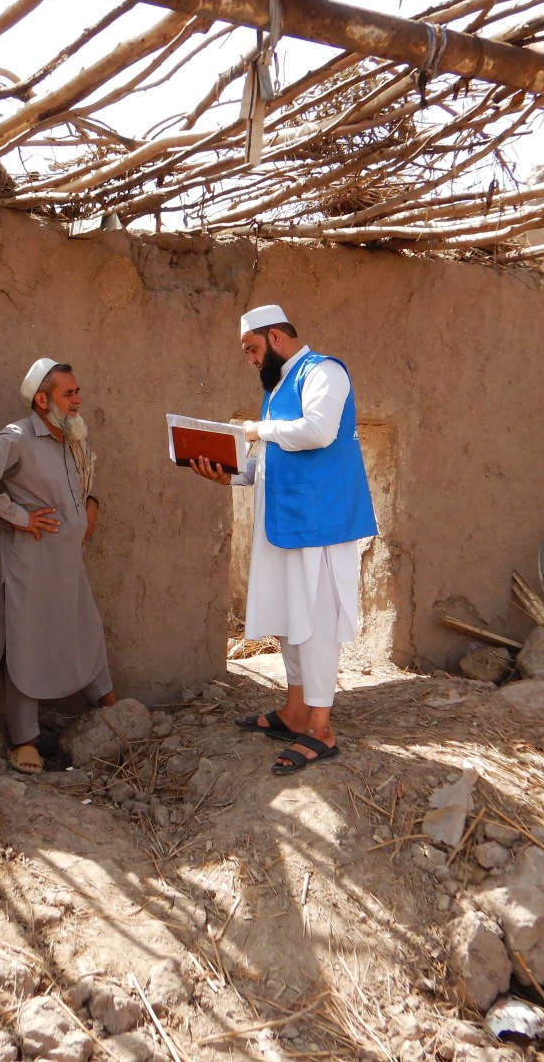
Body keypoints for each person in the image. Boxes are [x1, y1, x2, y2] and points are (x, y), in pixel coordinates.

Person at [190, 305, 378, 774]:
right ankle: (295, 711)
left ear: (276, 337)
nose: (251, 360)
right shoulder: (276, 391)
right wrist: (227, 474)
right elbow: (264, 466)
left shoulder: (325, 372)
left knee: (314, 618)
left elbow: (318, 431)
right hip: (285, 522)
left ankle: (321, 727)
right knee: (291, 618)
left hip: (321, 522)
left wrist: (257, 429)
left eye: (252, 349)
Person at [0, 358, 115, 774]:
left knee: (84, 626)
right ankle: (24, 739)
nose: (78, 399)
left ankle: (107, 702)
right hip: (29, 561)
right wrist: (19, 517)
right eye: (69, 393)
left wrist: (91, 505)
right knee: (25, 643)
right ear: (42, 400)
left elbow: (79, 485)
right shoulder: (17, 436)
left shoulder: (70, 437)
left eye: (78, 391)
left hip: (68, 560)